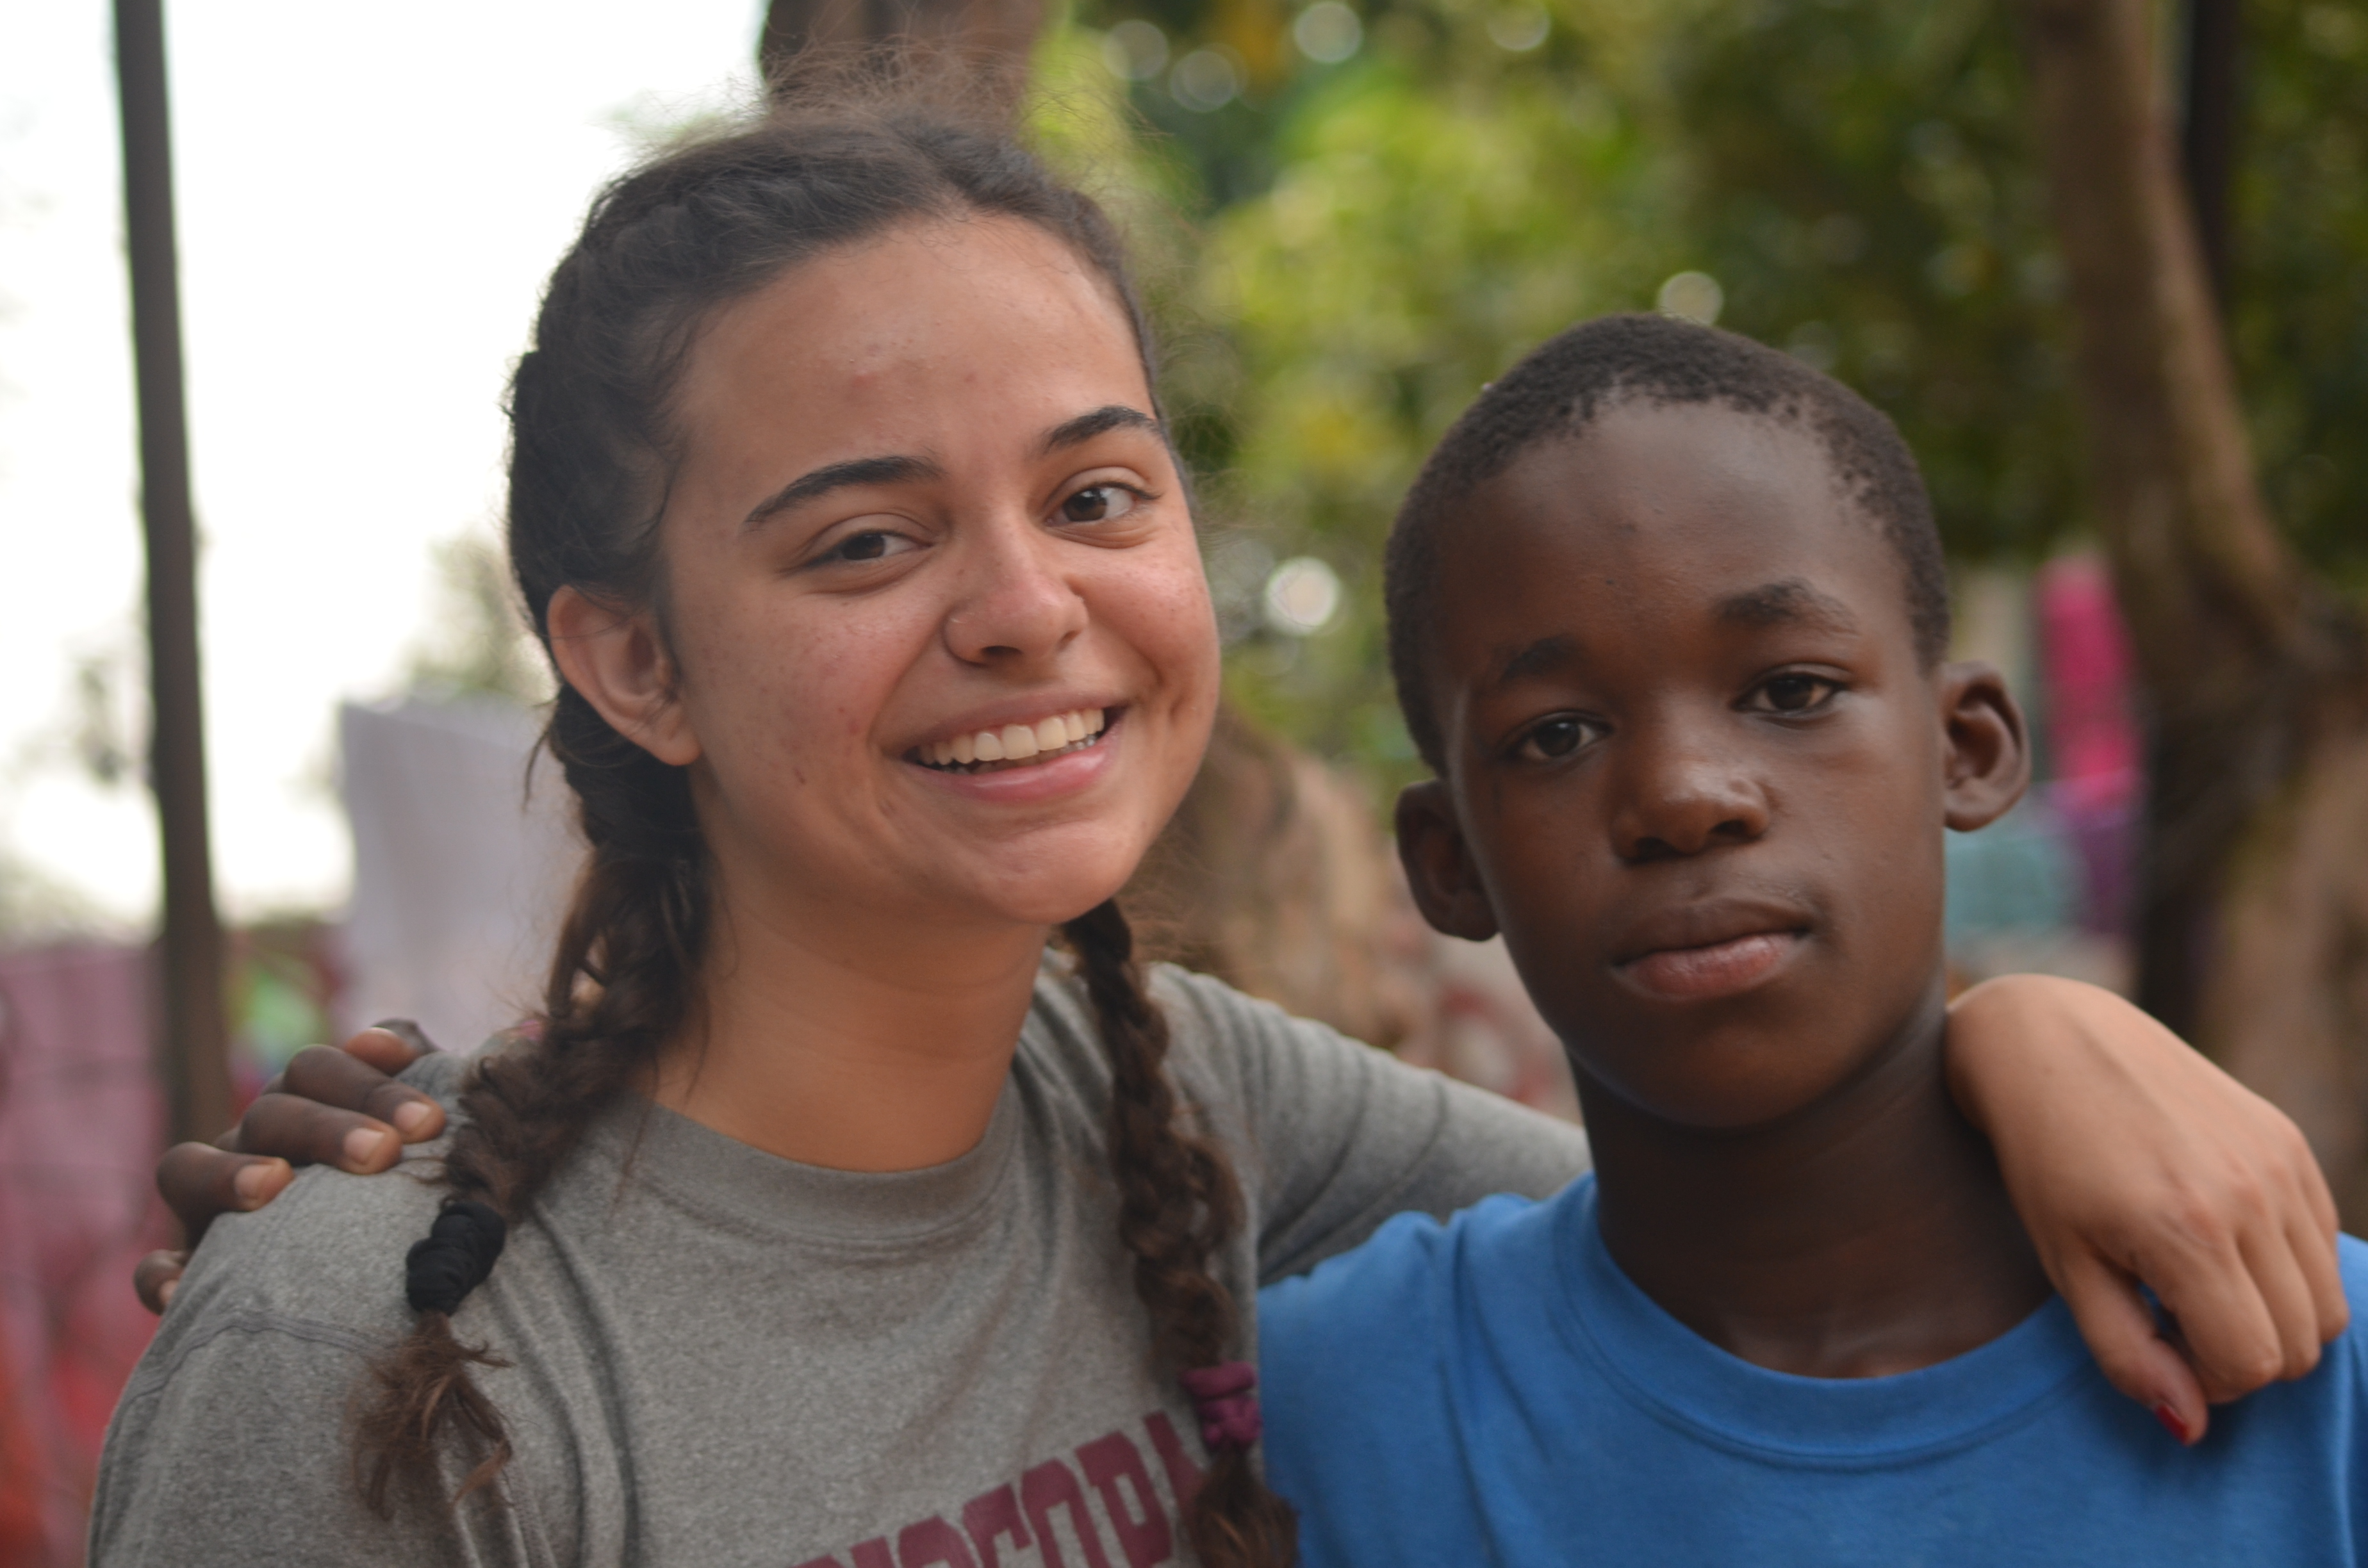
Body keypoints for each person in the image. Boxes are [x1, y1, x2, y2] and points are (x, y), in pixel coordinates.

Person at [105, 79, 2337, 1568]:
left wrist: (2035, 1036)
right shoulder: (365, 1344)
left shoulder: (1182, 1104)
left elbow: (1759, 1201)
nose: (1025, 609)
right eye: (864, 542)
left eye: (1093, 494)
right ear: (632, 658)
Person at [1256, 313, 2366, 1566]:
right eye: (1556, 736)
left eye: (1793, 692)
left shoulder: (2315, 1371)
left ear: (1970, 749)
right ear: (1450, 866)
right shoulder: (1328, 1413)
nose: (1686, 795)